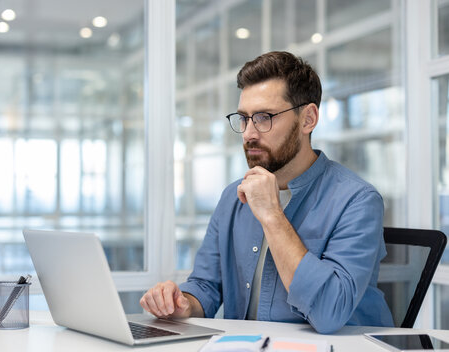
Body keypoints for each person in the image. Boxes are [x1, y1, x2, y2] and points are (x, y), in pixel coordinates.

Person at [139, 51, 394, 334]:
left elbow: (329, 311)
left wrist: (272, 215)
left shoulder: (357, 201)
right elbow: (206, 286)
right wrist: (183, 303)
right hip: (245, 350)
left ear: (308, 119)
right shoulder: (232, 197)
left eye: (264, 117)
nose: (249, 133)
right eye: (244, 118)